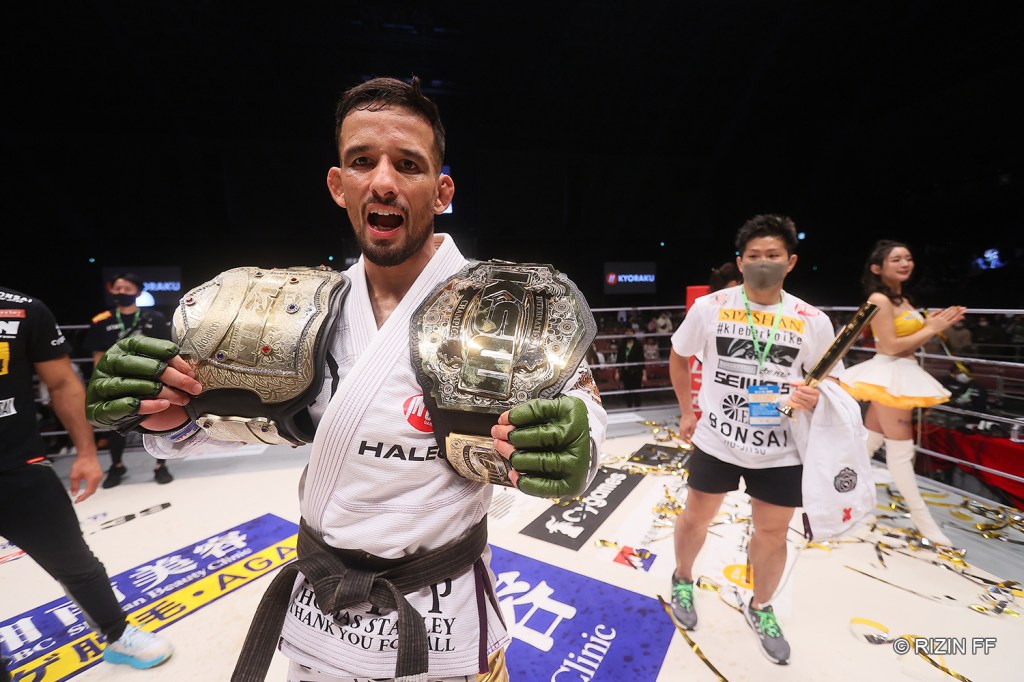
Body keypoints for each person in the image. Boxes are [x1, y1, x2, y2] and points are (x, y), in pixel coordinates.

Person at [84, 76, 607, 682]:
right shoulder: (289, 308)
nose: (383, 181)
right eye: (362, 161)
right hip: (323, 609)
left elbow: (579, 407)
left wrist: (580, 442)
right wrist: (165, 412)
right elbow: (235, 419)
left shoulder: (507, 306)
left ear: (441, 191)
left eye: (407, 164)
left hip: (439, 609)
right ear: (338, 184)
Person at [667, 214, 837, 665]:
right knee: (695, 518)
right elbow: (679, 356)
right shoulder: (709, 307)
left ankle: (761, 606)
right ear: (740, 262)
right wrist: (687, 410)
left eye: (773, 255)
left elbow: (831, 382)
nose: (764, 263)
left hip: (782, 448)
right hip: (717, 439)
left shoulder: (813, 320)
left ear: (791, 261)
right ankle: (682, 577)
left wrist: (815, 395)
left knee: (773, 532)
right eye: (755, 255)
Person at [0, 286, 174, 679]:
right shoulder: (100, 322)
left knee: (76, 561)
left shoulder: (23, 310)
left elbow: (63, 383)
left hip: (20, 466)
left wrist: (86, 451)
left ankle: (118, 634)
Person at [838, 240, 966, 546]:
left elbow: (907, 341)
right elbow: (891, 345)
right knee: (901, 453)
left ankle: (838, 498)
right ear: (877, 268)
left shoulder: (903, 299)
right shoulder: (879, 299)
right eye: (896, 259)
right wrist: (931, 327)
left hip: (899, 374)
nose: (905, 263)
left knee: (868, 444)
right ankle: (925, 524)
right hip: (891, 375)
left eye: (908, 258)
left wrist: (933, 325)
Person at [82, 273, 173, 487]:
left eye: (127, 289)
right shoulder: (102, 320)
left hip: (150, 376)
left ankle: (161, 465)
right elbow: (98, 356)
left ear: (138, 292)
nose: (122, 292)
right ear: (112, 291)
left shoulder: (155, 318)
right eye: (118, 288)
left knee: (159, 420)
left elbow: (167, 350)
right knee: (116, 424)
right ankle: (117, 466)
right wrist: (100, 384)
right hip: (116, 380)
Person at [615, 327, 646, 408]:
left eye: (630, 332)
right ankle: (629, 406)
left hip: (636, 371)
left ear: (633, 333)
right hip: (625, 371)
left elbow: (642, 360)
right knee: (627, 390)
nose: (628, 333)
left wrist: (644, 374)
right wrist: (617, 372)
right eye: (627, 332)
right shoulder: (622, 345)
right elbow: (618, 359)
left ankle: (637, 406)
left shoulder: (638, 345)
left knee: (636, 391)